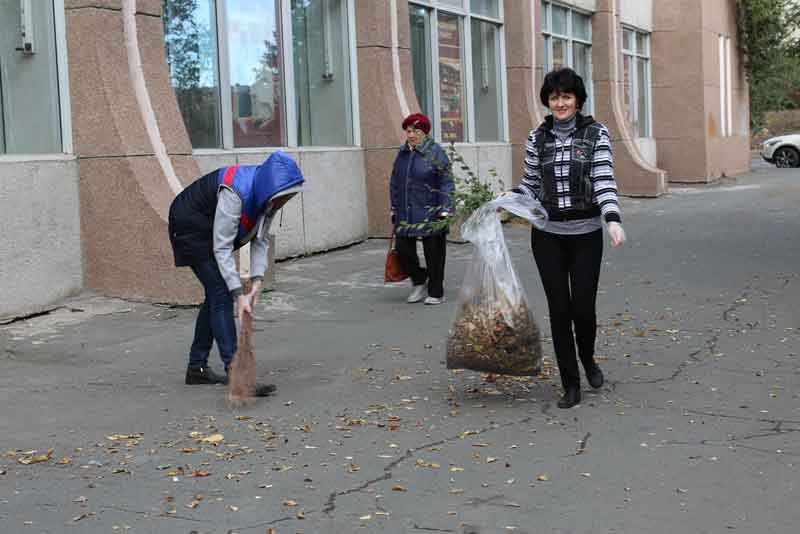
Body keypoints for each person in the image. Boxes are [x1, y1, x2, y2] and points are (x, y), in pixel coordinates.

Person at [501, 68, 627, 409]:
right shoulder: (536, 138)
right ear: (548, 100)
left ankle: (587, 359)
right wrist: (506, 199)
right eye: (555, 97)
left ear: (578, 100)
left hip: (586, 235)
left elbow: (603, 180)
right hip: (548, 237)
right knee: (560, 310)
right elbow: (530, 185)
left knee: (583, 309)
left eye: (567, 96)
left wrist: (612, 220)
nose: (560, 103)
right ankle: (570, 383)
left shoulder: (596, 134)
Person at [168, 151, 304, 394]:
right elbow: (221, 248)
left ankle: (196, 368)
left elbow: (260, 240)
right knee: (220, 292)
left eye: (289, 197)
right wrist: (238, 294)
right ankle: (237, 374)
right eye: (285, 196)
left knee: (214, 296)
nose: (285, 202)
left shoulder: (268, 195)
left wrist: (257, 282)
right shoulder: (235, 194)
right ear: (271, 187)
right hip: (188, 224)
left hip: (206, 227)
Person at [389, 113, 455, 305]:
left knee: (434, 252)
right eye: (408, 131)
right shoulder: (402, 153)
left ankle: (436, 291)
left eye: (415, 131)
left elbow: (446, 181)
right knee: (402, 250)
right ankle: (419, 280)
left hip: (431, 210)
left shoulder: (436, 153)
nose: (411, 135)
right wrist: (393, 206)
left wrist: (445, 209)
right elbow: (394, 182)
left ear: (424, 133)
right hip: (405, 211)